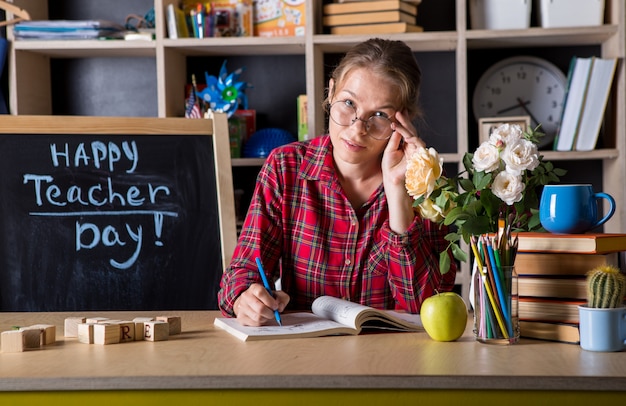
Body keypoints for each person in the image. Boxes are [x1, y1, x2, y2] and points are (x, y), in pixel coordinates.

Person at [218, 38, 457, 326]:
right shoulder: (285, 167)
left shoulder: (425, 185)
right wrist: (246, 297)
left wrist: (398, 192)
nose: (358, 129)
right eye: (348, 103)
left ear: (404, 120)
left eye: (379, 115)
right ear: (331, 92)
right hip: (303, 355)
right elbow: (241, 273)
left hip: (394, 358)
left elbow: (427, 305)